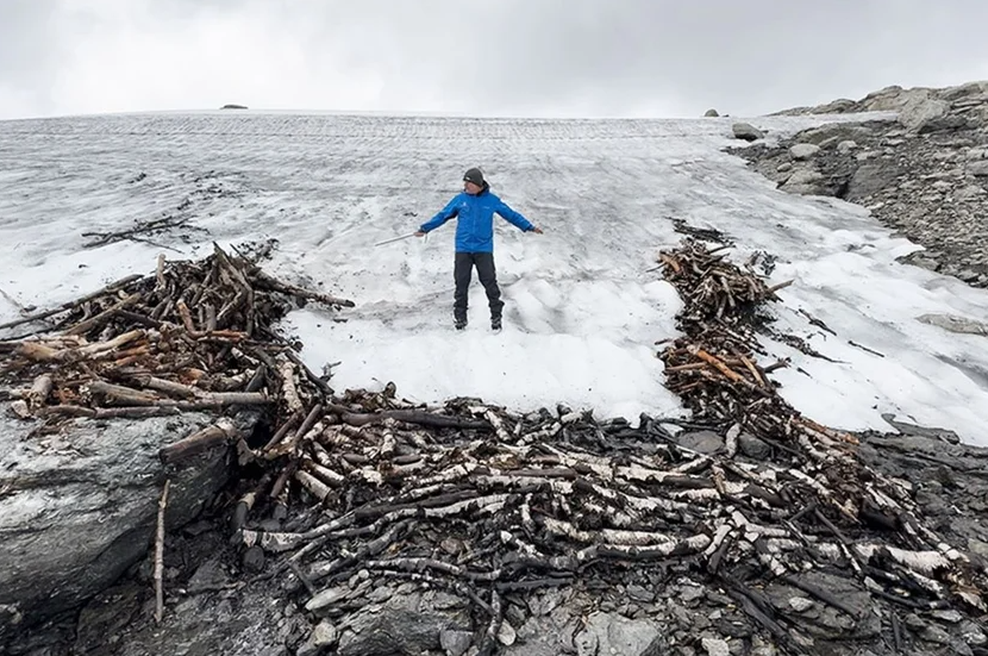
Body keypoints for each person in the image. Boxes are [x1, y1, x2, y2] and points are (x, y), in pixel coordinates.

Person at [415, 167, 543, 331]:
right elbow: (443, 215)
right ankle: (460, 320)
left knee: (490, 283)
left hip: (483, 249)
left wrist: (528, 226)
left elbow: (511, 215)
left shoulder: (491, 201)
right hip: (463, 249)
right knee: (461, 284)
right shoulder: (460, 200)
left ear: (478, 184)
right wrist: (425, 228)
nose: (465, 186)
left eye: (469, 183)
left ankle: (496, 317)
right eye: (465, 183)